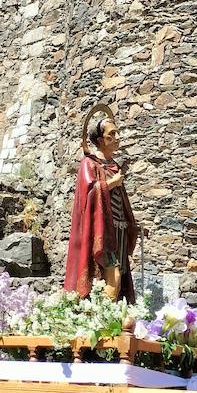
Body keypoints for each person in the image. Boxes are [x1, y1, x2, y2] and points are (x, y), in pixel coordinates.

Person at [64, 110, 139, 302]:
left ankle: (114, 319)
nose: (117, 138)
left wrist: (132, 224)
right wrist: (112, 183)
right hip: (101, 230)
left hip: (119, 229)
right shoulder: (89, 164)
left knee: (119, 278)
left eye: (116, 133)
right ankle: (104, 319)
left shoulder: (114, 165)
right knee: (112, 276)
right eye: (111, 134)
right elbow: (88, 194)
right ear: (99, 139)